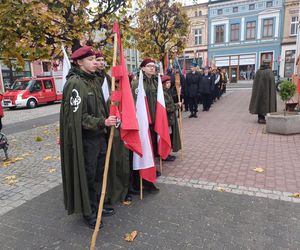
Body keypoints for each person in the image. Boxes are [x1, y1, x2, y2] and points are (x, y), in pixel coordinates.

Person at [60, 46, 117, 229]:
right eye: (91, 59)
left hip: (99, 136)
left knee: (99, 174)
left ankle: (98, 205)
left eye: (95, 59)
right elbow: (78, 119)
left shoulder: (93, 80)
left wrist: (110, 118)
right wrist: (103, 122)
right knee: (88, 176)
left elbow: (100, 108)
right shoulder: (75, 83)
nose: (95, 62)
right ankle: (89, 212)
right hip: (86, 140)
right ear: (79, 62)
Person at [131, 58, 160, 192]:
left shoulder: (154, 82)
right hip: (143, 124)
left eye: (153, 66)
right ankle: (140, 182)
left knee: (152, 150)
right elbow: (135, 104)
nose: (152, 68)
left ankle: (150, 172)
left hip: (154, 123)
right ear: (142, 68)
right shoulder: (137, 84)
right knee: (142, 152)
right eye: (149, 66)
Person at [162, 75, 182, 154]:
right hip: (167, 119)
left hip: (170, 118)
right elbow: (168, 107)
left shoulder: (167, 91)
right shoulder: (164, 93)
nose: (169, 84)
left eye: (169, 82)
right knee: (168, 136)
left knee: (170, 135)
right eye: (167, 83)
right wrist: (177, 105)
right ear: (163, 84)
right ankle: (166, 153)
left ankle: (168, 152)